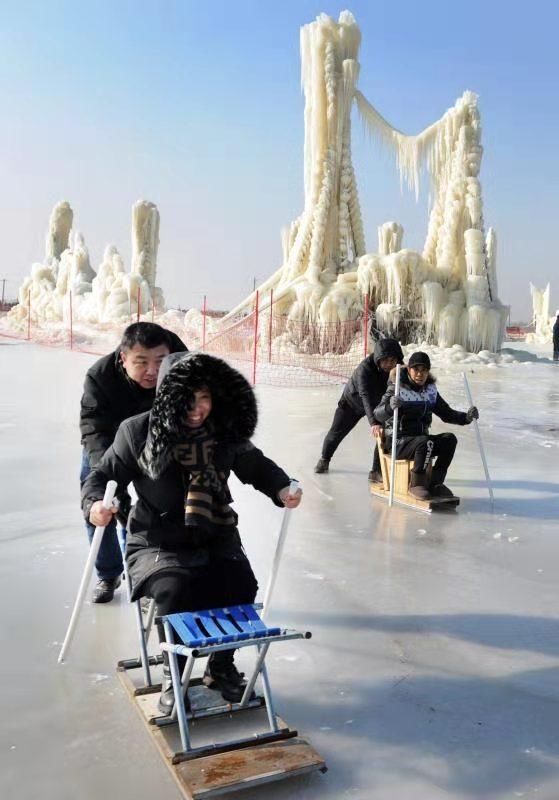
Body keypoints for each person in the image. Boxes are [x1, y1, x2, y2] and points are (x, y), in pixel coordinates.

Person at [81, 352, 302, 714]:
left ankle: (220, 665)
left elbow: (255, 465)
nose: (197, 408)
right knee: (176, 590)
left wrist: (281, 487)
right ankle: (174, 674)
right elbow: (102, 476)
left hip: (214, 531)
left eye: (204, 397)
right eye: (187, 398)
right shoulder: (136, 431)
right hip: (156, 539)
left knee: (240, 584)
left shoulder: (223, 431)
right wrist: (95, 504)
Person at [80, 322, 187, 603]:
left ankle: (145, 572)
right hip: (109, 443)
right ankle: (108, 573)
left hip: (155, 441)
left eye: (159, 362)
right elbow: (93, 428)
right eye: (141, 362)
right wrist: (108, 483)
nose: (152, 371)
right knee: (100, 504)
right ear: (123, 358)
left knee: (149, 509)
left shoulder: (181, 364)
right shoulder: (100, 377)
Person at [374, 351, 479, 500]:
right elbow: (377, 414)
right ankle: (416, 484)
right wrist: (389, 407)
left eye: (424, 370)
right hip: (398, 441)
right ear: (409, 369)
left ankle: (435, 484)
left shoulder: (429, 391)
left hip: (421, 441)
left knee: (449, 440)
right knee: (424, 442)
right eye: (416, 369)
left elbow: (446, 413)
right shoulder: (397, 387)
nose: (420, 374)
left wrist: (466, 417)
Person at [314, 338, 404, 481]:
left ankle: (375, 471)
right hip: (352, 403)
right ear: (378, 359)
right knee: (336, 433)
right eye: (385, 360)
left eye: (392, 360)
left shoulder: (399, 369)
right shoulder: (365, 369)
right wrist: (373, 422)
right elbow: (364, 395)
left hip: (378, 405)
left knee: (385, 433)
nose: (389, 365)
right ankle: (324, 459)